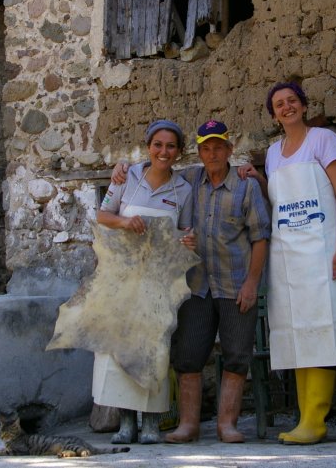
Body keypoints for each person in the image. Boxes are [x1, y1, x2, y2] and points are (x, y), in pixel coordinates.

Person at [112, 120, 272, 443]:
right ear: (198, 153)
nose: (213, 154)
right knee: (188, 354)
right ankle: (188, 425)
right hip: (196, 285)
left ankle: (227, 425)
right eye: (206, 148)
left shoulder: (246, 186)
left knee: (237, 353)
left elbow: (261, 237)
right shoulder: (187, 181)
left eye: (219, 147)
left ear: (229, 150)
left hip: (235, 284)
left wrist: (252, 283)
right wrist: (122, 167)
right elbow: (158, 164)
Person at [247, 81, 336, 445]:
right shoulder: (273, 152)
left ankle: (315, 420)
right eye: (279, 104)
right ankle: (304, 418)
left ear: (303, 105)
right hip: (289, 260)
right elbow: (279, 200)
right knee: (297, 332)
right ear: (273, 115)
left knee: (323, 330)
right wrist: (258, 179)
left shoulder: (323, 140)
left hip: (322, 252)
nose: (286, 107)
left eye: (292, 101)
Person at [94, 119, 194, 445]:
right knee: (122, 346)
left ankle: (151, 421)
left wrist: (187, 241)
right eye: (158, 145)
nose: (164, 151)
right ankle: (126, 422)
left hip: (158, 280)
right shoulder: (127, 176)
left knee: (154, 347)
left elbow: (185, 232)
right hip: (122, 276)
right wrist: (125, 222)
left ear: (179, 152)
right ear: (148, 146)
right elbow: (103, 215)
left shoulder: (183, 190)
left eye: (171, 146)